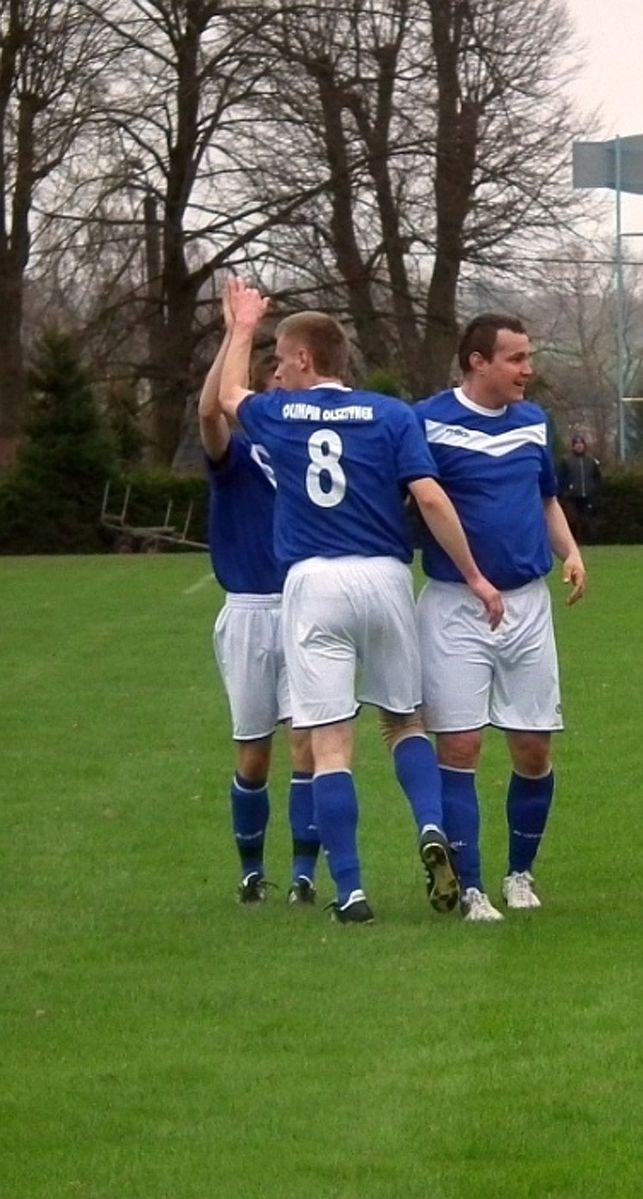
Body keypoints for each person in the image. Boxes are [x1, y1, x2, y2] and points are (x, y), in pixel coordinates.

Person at [216, 277, 505, 925]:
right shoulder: (391, 414)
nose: (279, 373)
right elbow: (430, 498)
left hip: (313, 584)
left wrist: (240, 326)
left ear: (304, 360)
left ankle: (349, 889)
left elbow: (230, 396)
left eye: (283, 360)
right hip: (384, 577)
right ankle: (431, 825)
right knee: (404, 723)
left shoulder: (282, 415)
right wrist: (477, 578)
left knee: (331, 742)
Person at [415, 314, 588, 922]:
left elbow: (545, 498)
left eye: (529, 356)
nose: (528, 370)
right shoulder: (427, 420)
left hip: (528, 605)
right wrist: (473, 578)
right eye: (516, 358)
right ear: (477, 362)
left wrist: (570, 553)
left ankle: (520, 874)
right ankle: (472, 888)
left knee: (534, 750)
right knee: (460, 746)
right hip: (455, 607)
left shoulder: (533, 422)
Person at [198, 294, 317, 905]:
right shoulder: (237, 457)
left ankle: (303, 875)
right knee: (254, 754)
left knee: (308, 744)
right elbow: (211, 415)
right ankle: (251, 871)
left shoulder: (307, 450)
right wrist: (234, 335)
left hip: (305, 604)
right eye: (265, 371)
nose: (275, 379)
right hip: (248, 609)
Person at [558, 434, 601, 542]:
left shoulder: (591, 461)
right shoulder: (566, 461)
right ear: (573, 446)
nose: (579, 446)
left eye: (581, 444)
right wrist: (564, 492)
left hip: (588, 496)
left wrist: (595, 491)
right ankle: (573, 542)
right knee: (573, 520)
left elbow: (597, 478)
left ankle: (590, 542)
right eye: (576, 444)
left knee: (588, 520)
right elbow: (561, 478)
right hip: (572, 497)